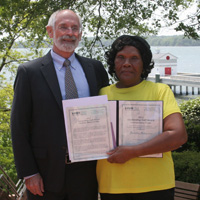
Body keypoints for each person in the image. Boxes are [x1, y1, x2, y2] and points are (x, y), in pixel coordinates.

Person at [11, 9, 109, 200]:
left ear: (80, 34)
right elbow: (18, 126)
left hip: (86, 172)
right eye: (63, 27)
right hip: (45, 173)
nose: (69, 33)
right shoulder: (29, 72)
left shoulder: (95, 68)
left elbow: (106, 115)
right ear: (50, 31)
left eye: (75, 28)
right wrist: (28, 172)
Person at [96, 35, 188, 200]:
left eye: (134, 58)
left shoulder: (160, 91)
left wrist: (133, 152)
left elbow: (178, 135)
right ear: (113, 62)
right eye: (121, 58)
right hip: (112, 186)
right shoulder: (102, 94)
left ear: (144, 63)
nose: (127, 63)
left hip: (156, 185)